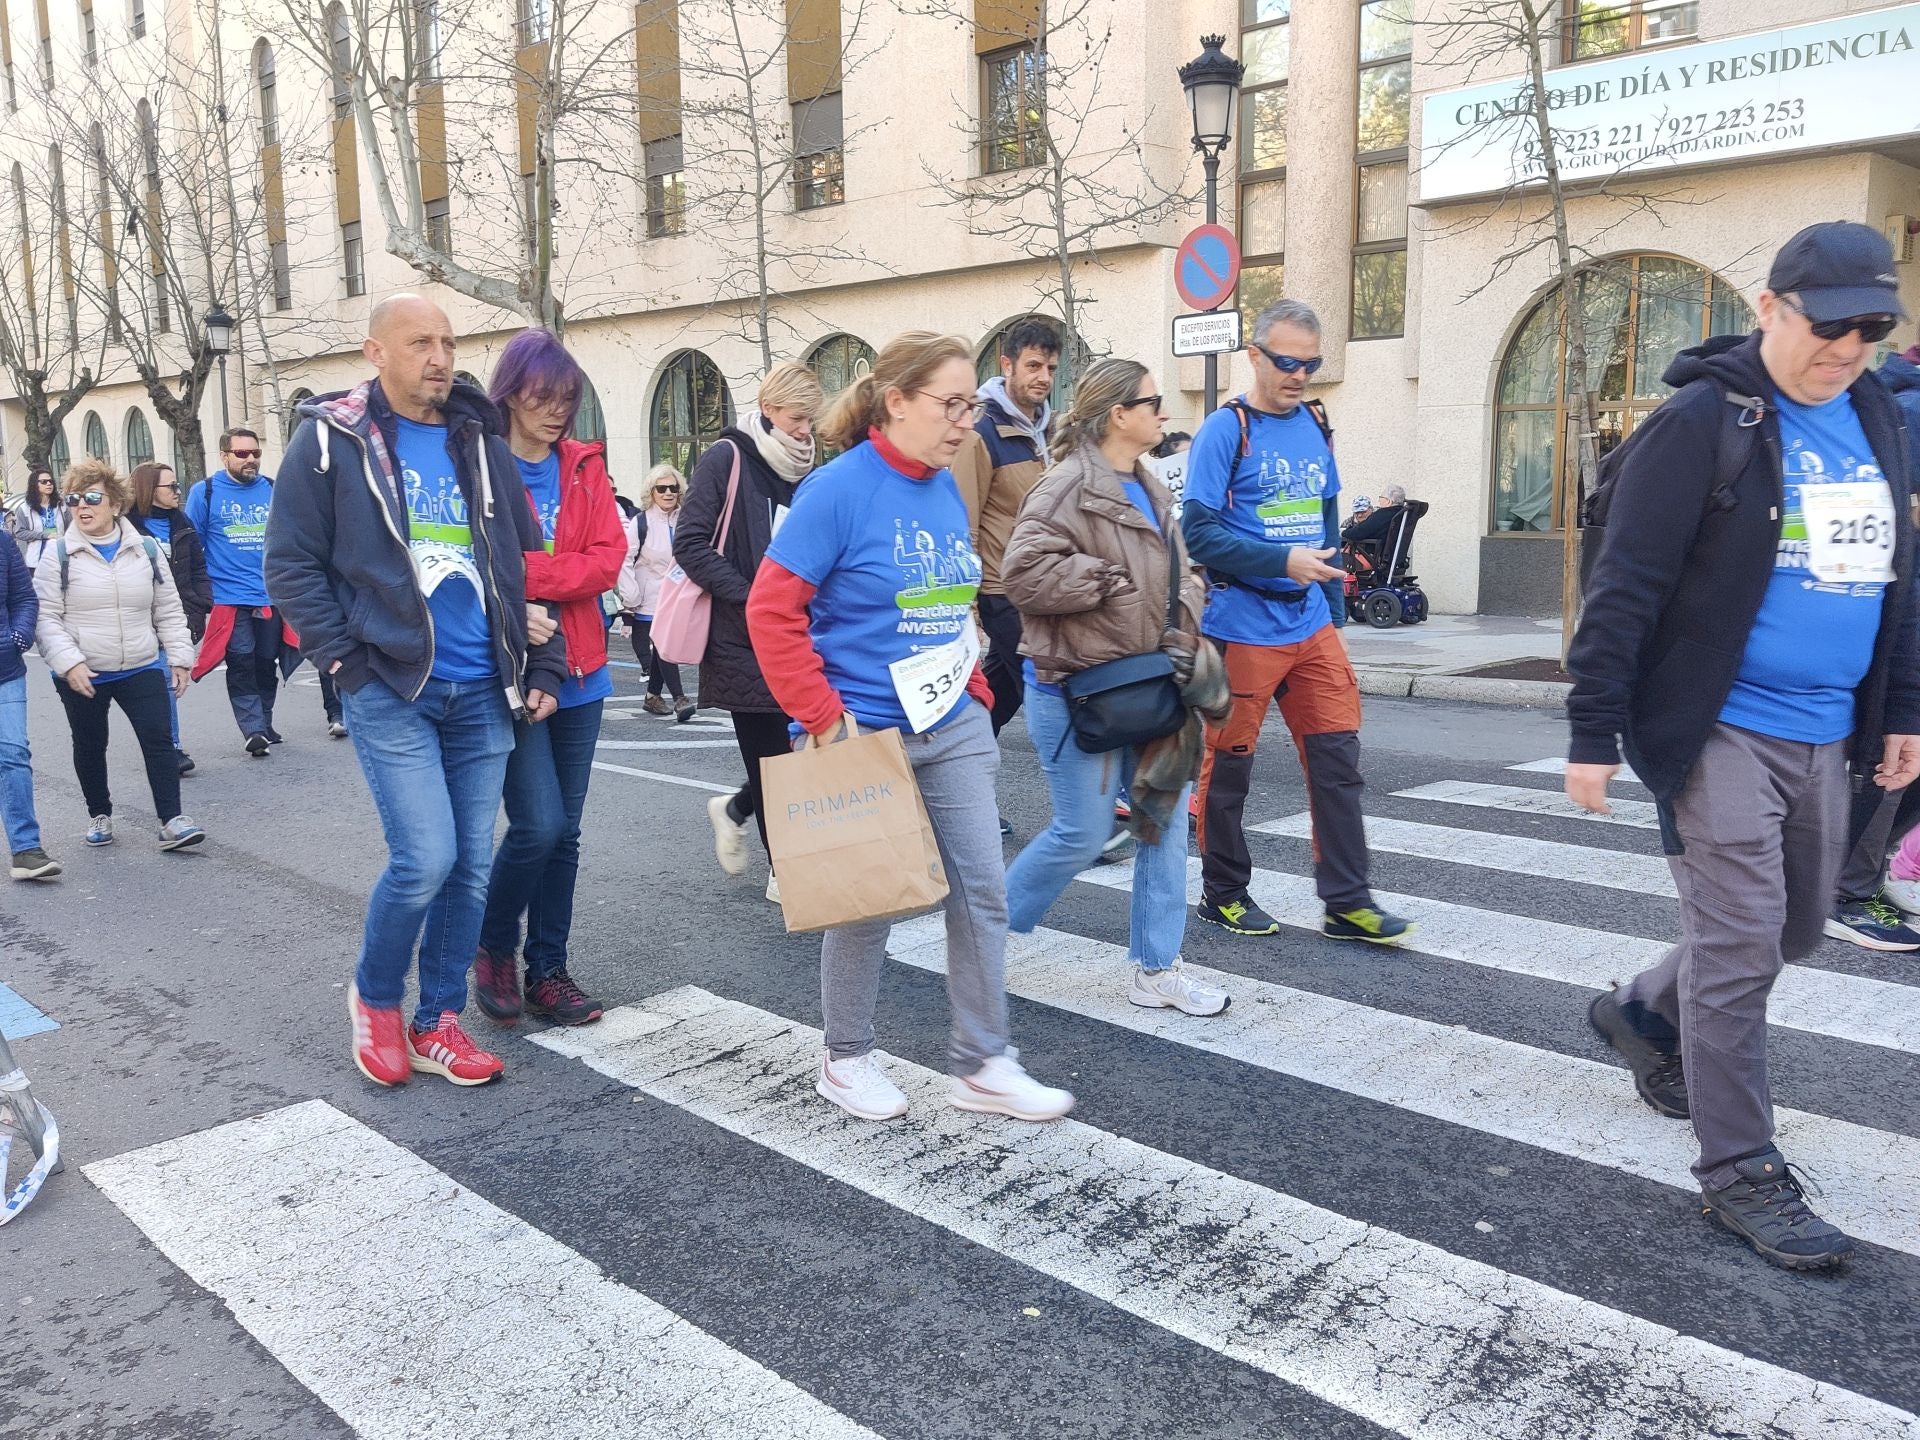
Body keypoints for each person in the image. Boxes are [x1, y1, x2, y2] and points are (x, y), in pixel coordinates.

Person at [1569, 222, 1920, 1271]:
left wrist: (1902, 711)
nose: (1849, 345)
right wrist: (1593, 728)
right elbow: (1623, 584)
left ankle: (1640, 1012)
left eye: (1873, 326)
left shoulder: (1876, 417)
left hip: (1829, 729)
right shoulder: (1699, 424)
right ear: (1770, 308)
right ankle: (1741, 1170)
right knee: (1740, 945)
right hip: (1719, 722)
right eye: (1830, 323)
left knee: (1793, 925)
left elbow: (1897, 581)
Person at [746, 330, 1074, 1124]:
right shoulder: (837, 490)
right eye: (951, 404)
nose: (966, 420)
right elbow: (770, 609)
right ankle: (845, 1057)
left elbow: (949, 594)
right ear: (896, 402)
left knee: (982, 888)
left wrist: (972, 680)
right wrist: (824, 718)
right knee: (869, 902)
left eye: (970, 404)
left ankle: (982, 1062)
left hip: (951, 718)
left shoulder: (938, 486)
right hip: (864, 730)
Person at [265, 292, 567, 1090]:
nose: (439, 358)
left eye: (447, 342)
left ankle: (437, 1021)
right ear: (376, 353)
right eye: (419, 343)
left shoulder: (479, 439)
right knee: (424, 857)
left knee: (469, 867)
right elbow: (291, 565)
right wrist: (346, 663)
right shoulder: (332, 441)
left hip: (481, 688)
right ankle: (374, 998)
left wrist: (542, 661)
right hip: (391, 685)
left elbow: (520, 563)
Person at [1000, 359, 1228, 1016]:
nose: (1163, 412)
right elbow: (1023, 576)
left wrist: (1184, 604)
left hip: (1151, 684)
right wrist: (1105, 582)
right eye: (1152, 401)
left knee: (1163, 823)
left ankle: (1157, 971)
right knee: (1082, 830)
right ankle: (984, 934)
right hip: (1081, 690)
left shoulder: (1149, 487)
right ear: (1117, 415)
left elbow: (1182, 567)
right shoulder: (1065, 487)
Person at [1181, 298, 1411, 945]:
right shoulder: (1226, 431)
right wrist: (1279, 558)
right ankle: (1222, 893)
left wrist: (1334, 615)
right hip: (1242, 626)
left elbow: (1326, 509)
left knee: (1338, 762)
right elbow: (1196, 533)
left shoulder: (1314, 419)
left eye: (1309, 363)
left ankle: (1347, 902)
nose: (1298, 374)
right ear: (1253, 355)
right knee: (1229, 771)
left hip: (1309, 627)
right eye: (1286, 361)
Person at [473, 329, 626, 1029]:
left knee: (566, 833)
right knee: (537, 823)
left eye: (567, 398)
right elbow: (475, 562)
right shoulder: (480, 468)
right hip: (514, 672)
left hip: (585, 672)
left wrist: (526, 575)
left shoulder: (585, 466)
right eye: (543, 397)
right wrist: (531, 579)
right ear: (510, 393)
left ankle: (549, 971)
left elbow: (606, 563)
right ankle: (494, 946)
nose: (558, 410)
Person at [676, 361, 821, 901]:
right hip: (741, 637)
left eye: (811, 419)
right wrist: (751, 594)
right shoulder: (727, 458)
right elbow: (689, 542)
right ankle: (791, 876)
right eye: (796, 417)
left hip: (798, 633)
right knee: (773, 759)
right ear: (767, 409)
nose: (805, 430)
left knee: (800, 755)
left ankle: (736, 810)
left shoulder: (804, 469)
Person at [34, 459, 203, 852]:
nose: (82, 506)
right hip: (84, 671)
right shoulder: (57, 554)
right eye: (73, 498)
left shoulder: (143, 548)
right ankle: (99, 813)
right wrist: (69, 662)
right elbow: (46, 617)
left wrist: (179, 656)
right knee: (90, 744)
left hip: (142, 664)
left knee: (159, 740)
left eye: (93, 497)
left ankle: (171, 821)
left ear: (116, 504)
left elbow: (167, 606)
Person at [951, 318, 1060, 832]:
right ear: (1007, 364)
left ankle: (956, 779)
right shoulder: (982, 431)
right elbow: (964, 521)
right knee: (1048, 693)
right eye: (1033, 365)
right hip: (1000, 587)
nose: (1043, 377)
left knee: (1001, 694)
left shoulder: (1048, 429)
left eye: (1051, 368)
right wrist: (969, 608)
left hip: (1044, 586)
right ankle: (1085, 817)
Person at [1828, 341, 1920, 946]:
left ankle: (1860, 876)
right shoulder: (1908, 413)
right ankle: (1842, 892)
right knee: (1894, 753)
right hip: (1899, 604)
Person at [185, 427, 294, 754]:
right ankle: (253, 729)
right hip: (229, 599)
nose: (250, 460)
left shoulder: (274, 489)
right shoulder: (204, 492)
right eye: (242, 454)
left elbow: (289, 539)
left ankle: (264, 719)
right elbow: (193, 545)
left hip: (271, 596)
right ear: (224, 456)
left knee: (266, 662)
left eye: (255, 454)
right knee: (241, 661)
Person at [130, 462, 211, 778]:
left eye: (178, 486)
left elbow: (198, 569)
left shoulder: (182, 522)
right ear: (150, 490)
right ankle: (167, 747)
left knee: (166, 683)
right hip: (140, 618)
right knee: (157, 684)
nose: (178, 492)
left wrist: (200, 602)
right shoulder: (126, 526)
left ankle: (171, 748)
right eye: (171, 487)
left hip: (178, 615)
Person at [2, 532, 58, 880]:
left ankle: (26, 849)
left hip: (4, 668)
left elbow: (24, 597)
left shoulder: (3, 544)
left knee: (13, 754)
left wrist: (18, 636)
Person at [630, 463, 695, 720]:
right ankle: (679, 698)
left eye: (673, 488)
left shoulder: (688, 518)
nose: (668, 493)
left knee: (662, 645)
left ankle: (652, 696)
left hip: (679, 594)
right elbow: (625, 558)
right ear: (652, 492)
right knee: (663, 641)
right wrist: (630, 594)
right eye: (662, 488)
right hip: (651, 594)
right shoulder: (640, 522)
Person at [7, 470, 62, 570]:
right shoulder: (25, 508)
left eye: (51, 481)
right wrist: (44, 535)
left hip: (61, 559)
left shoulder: (62, 506)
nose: (49, 484)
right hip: (36, 561)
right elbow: (20, 532)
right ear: (35, 485)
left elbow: (71, 527)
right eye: (44, 482)